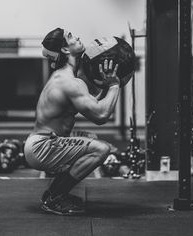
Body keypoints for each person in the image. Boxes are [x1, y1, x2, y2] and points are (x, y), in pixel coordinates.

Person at [24, 28, 133, 216]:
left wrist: (106, 85)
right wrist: (114, 85)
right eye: (71, 36)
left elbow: (93, 103)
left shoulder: (66, 78)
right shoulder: (69, 82)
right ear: (65, 50)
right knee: (101, 149)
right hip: (42, 146)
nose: (77, 37)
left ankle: (55, 194)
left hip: (43, 142)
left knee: (90, 138)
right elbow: (100, 116)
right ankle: (54, 197)